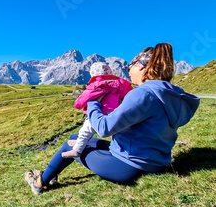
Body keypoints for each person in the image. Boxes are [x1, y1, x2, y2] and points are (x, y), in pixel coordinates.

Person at [24, 43, 200, 195]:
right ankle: (50, 174)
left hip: (127, 165)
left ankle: (40, 182)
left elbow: (104, 128)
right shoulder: (170, 94)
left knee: (70, 144)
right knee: (73, 138)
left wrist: (93, 102)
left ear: (141, 67)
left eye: (129, 66)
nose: (128, 72)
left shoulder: (143, 93)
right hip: (155, 160)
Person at [61, 62, 133, 159]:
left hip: (97, 114)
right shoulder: (122, 83)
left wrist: (77, 104)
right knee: (119, 132)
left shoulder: (96, 85)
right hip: (116, 114)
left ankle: (77, 150)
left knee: (86, 131)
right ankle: (121, 149)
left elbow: (81, 101)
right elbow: (130, 96)